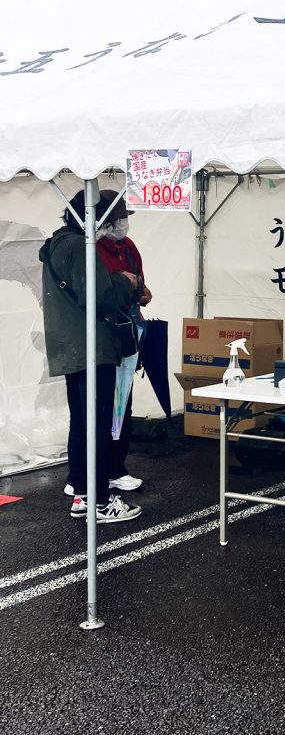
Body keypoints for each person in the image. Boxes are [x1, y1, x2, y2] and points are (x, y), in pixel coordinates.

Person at [40, 190, 142, 522]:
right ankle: (99, 501)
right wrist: (125, 283)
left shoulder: (58, 243)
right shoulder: (77, 247)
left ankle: (83, 495)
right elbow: (99, 296)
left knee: (83, 424)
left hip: (73, 347)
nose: (115, 226)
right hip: (92, 349)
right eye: (111, 219)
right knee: (95, 426)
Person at [93, 189, 152, 493]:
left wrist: (142, 291)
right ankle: (94, 475)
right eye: (119, 218)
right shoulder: (91, 248)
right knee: (99, 408)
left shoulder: (128, 246)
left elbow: (141, 286)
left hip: (128, 334)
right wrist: (124, 286)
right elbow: (101, 293)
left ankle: (116, 467)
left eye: (125, 217)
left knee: (122, 405)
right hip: (102, 337)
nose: (124, 223)